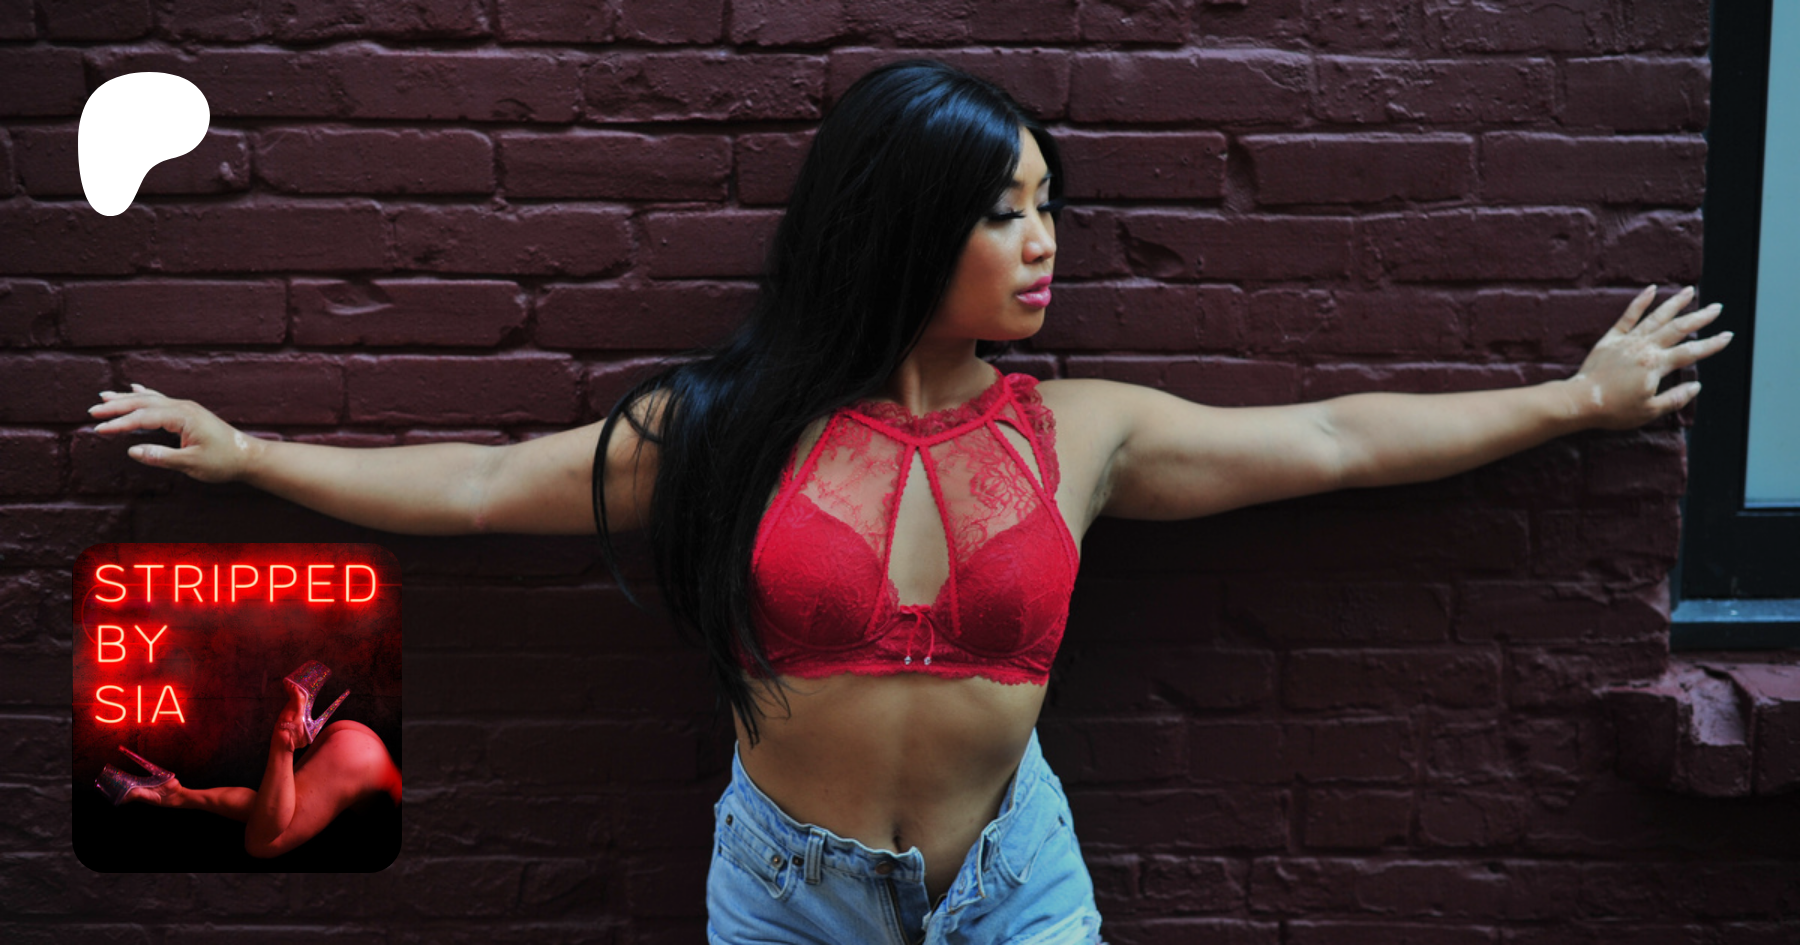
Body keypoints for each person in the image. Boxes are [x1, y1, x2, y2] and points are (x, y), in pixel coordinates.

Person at [88, 60, 1729, 944]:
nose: (1044, 241)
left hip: (1017, 889)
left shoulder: (1084, 431)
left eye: (1048, 205)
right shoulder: (722, 428)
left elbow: (1335, 443)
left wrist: (1575, 402)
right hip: (788, 897)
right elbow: (474, 485)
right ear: (899, 225)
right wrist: (250, 455)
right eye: (1003, 210)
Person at [94, 661, 402, 860]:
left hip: (361, 750)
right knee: (262, 844)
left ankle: (176, 795)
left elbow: (272, 812)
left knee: (273, 810)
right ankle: (286, 737)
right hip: (364, 764)